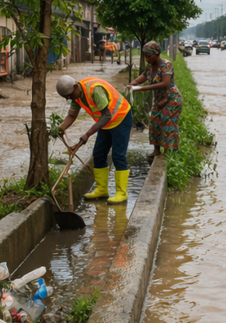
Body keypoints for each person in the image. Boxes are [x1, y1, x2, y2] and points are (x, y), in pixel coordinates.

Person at [56, 74, 133, 205]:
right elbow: (72, 114)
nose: (70, 99)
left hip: (120, 118)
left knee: (118, 155)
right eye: (67, 98)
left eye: (69, 96)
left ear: (75, 86)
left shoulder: (94, 90)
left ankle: (121, 193)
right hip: (105, 122)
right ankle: (102, 189)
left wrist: (87, 134)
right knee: (98, 154)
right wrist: (60, 128)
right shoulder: (76, 95)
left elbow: (107, 115)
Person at [127, 41, 182, 158]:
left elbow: (165, 84)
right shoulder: (150, 67)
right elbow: (142, 77)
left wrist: (142, 88)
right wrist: (133, 84)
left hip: (172, 99)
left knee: (168, 123)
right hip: (158, 100)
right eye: (145, 56)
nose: (147, 59)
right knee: (154, 123)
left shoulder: (166, 65)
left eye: (149, 56)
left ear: (156, 53)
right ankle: (156, 149)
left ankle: (169, 153)